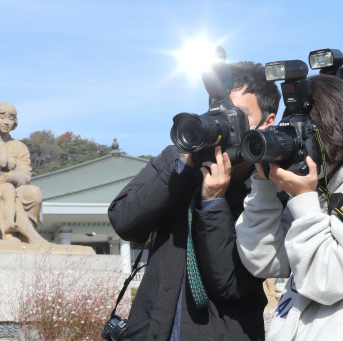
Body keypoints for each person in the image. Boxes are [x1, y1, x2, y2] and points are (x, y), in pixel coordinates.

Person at [108, 61, 281, 341]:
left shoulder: (268, 186)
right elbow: (123, 221)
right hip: (152, 330)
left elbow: (230, 284)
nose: (225, 121)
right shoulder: (175, 159)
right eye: (218, 110)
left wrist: (213, 203)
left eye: (238, 114)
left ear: (268, 121)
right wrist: (185, 167)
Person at [235, 75, 343, 340]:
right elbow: (264, 260)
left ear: (330, 130)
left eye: (298, 134)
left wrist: (304, 200)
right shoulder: (318, 185)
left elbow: (328, 279)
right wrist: (263, 184)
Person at [0, 102, 47, 244]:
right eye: (3, 118)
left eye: (11, 119)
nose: (6, 122)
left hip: (14, 186)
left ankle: (26, 234)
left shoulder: (19, 147)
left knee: (34, 192)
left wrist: (10, 176)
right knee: (8, 193)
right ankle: (31, 237)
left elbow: (25, 175)